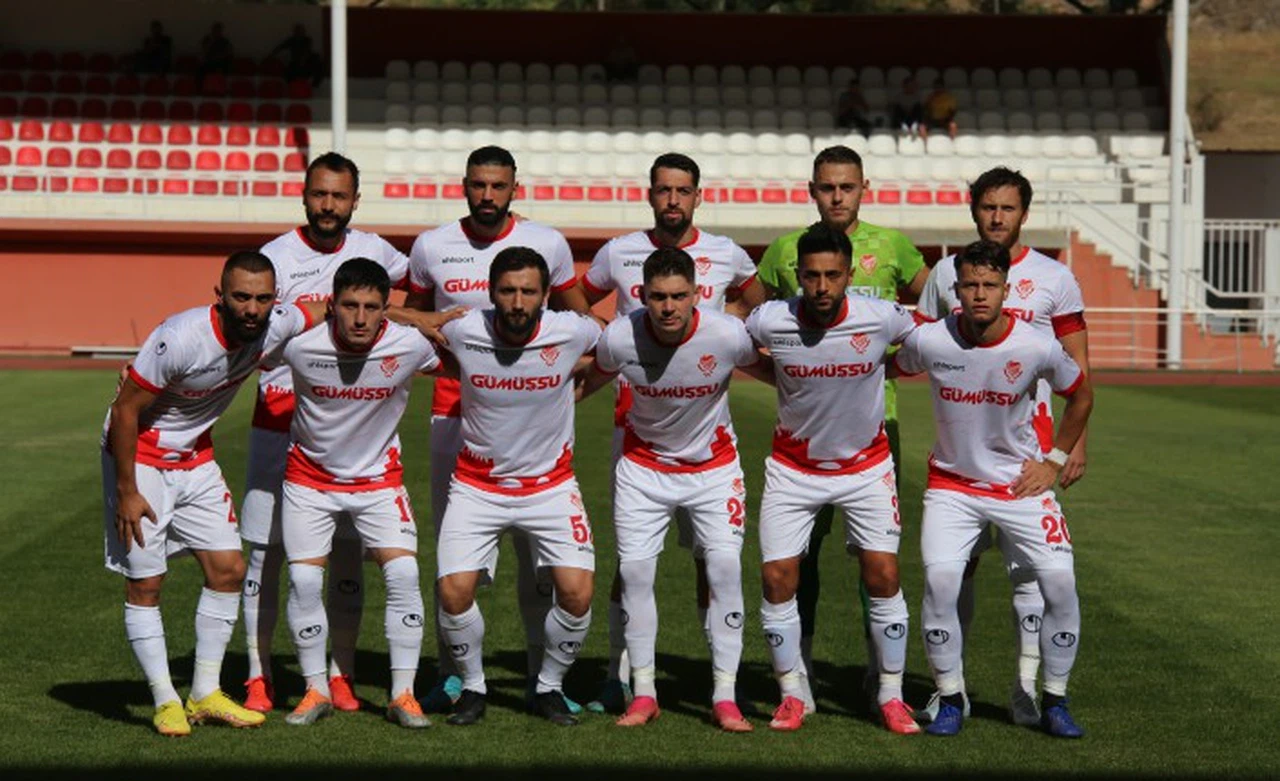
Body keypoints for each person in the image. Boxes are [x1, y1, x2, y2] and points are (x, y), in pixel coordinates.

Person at [403, 145, 592, 714]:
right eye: (478, 185)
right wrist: (416, 319)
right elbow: (415, 320)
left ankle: (543, 677)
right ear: (464, 185)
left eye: (498, 185)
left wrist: (572, 382)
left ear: (514, 187)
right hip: (456, 420)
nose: (487, 195)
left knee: (542, 572)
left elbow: (590, 325)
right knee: (454, 573)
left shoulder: (548, 245)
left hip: (538, 439)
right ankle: (457, 678)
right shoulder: (432, 246)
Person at [102, 251, 323, 736]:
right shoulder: (181, 338)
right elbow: (124, 411)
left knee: (228, 570)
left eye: (263, 299)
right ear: (219, 295)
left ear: (275, 300)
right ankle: (165, 700)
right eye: (241, 297)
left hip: (196, 457)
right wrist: (127, 490)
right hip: (142, 458)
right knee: (146, 584)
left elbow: (332, 307)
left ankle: (204, 693)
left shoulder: (276, 323)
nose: (252, 309)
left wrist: (411, 316)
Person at [578, 152, 765, 715]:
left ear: (698, 196)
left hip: (707, 436)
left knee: (716, 564)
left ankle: (722, 684)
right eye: (664, 190)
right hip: (636, 435)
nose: (673, 199)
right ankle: (624, 678)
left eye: (683, 190)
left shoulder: (725, 266)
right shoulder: (619, 259)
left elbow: (759, 318)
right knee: (633, 566)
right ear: (650, 194)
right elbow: (584, 319)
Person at [240, 153, 422, 715]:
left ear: (354, 201)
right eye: (319, 194)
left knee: (345, 555)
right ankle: (257, 674)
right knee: (266, 556)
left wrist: (417, 322)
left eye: (339, 196)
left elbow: (416, 292)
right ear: (304, 195)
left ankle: (341, 673)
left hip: (350, 426)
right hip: (278, 422)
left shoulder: (377, 252)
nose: (328, 206)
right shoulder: (275, 256)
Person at [892, 239, 1094, 738]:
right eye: (970, 285)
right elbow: (883, 366)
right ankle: (951, 698)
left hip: (1020, 486)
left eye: (989, 285)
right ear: (956, 289)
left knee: (1060, 584)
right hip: (952, 487)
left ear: (1007, 289)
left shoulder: (1035, 345)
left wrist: (1054, 460)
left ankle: (1055, 700)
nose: (979, 294)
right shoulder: (931, 340)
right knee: (941, 583)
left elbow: (1081, 394)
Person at [755, 145, 928, 711]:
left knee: (874, 560)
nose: (837, 196)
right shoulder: (784, 250)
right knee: (800, 558)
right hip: (804, 432)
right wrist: (780, 372)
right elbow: (751, 318)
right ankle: (799, 670)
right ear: (812, 190)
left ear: (863, 188)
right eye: (827, 187)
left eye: (846, 186)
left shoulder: (893, 246)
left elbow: (930, 309)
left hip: (877, 425)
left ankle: (878, 674)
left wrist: (887, 366)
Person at [432, 248, 602, 728]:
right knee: (453, 592)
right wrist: (422, 317)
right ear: (490, 293)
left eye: (529, 291)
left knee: (577, 593)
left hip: (551, 486)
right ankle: (473, 687)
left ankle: (548, 687)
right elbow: (395, 323)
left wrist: (583, 385)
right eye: (507, 291)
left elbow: (619, 345)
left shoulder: (572, 330)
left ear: (546, 295)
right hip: (476, 486)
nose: (518, 302)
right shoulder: (465, 329)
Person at [275, 259, 445, 728]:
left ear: (387, 310)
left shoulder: (409, 345)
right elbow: (240, 352)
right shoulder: (300, 345)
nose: (360, 318)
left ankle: (403, 695)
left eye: (372, 307)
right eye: (350, 305)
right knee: (304, 581)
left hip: (378, 482)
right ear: (331, 305)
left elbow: (472, 360)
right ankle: (315, 690)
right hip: (310, 480)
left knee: (404, 574)